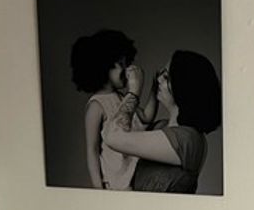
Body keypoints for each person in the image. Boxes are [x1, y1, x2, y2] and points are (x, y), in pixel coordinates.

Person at [103, 50, 221, 194]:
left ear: (183, 87)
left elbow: (112, 136)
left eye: (166, 77)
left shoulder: (188, 139)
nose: (158, 79)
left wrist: (133, 92)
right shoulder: (161, 127)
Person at [70, 30, 159, 190]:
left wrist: (153, 91)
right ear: (103, 66)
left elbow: (146, 117)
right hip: (116, 182)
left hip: (135, 176)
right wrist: (98, 188)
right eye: (121, 64)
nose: (127, 70)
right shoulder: (96, 105)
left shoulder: (123, 98)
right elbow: (92, 150)